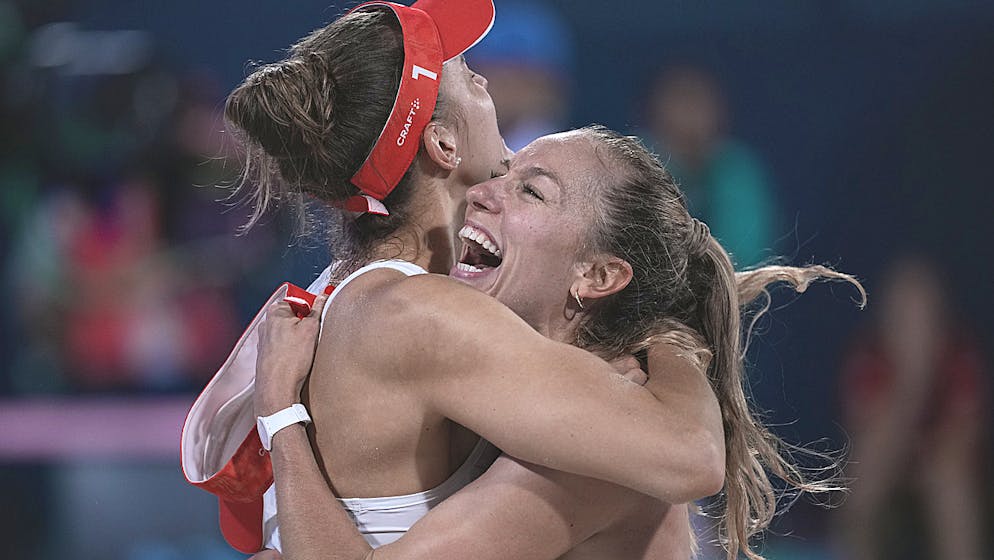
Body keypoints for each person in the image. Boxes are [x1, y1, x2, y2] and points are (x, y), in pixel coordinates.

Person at [183, 1, 726, 557]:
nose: (485, 78)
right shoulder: (423, 314)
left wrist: (282, 419)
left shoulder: (351, 290)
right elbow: (693, 455)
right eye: (470, 77)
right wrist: (672, 338)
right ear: (443, 143)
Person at [251, 126, 864, 560]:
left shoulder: (596, 447)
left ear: (595, 277)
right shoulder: (545, 398)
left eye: (532, 191)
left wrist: (282, 415)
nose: (484, 191)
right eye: (506, 172)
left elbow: (695, 455)